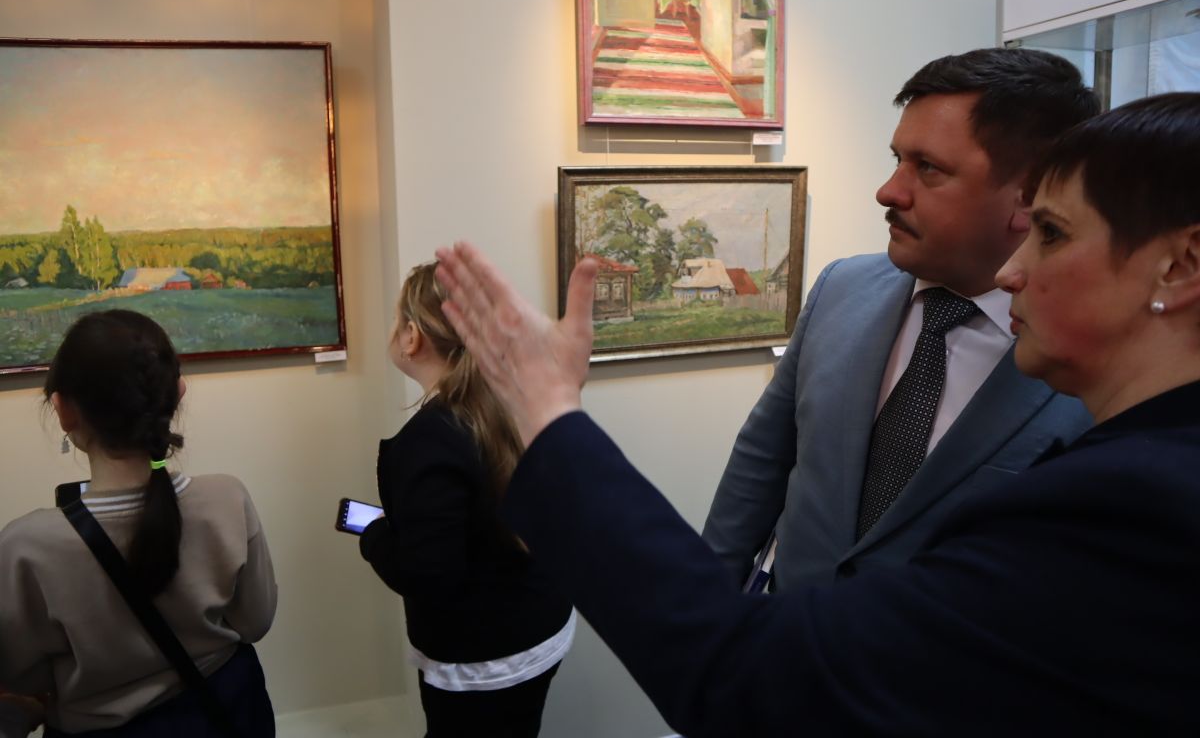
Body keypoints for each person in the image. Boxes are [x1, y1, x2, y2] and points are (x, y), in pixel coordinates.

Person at [431, 92, 1200, 736]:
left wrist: (548, 412)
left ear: (1180, 266)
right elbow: (762, 462)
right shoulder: (844, 290)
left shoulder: (1134, 504)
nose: (1015, 269)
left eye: (1052, 232)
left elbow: (748, 673)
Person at [704, 48, 1100, 589]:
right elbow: (762, 462)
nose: (888, 191)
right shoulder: (841, 289)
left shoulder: (1088, 369)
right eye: (897, 160)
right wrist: (706, 608)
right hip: (788, 627)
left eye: (928, 168)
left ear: (1028, 198)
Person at [0, 309, 277, 736]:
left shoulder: (25, 547)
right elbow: (254, 622)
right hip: (228, 714)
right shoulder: (227, 498)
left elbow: (22, 678)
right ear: (178, 392)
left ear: (63, 410)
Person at [359, 262, 573, 738]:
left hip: (484, 660)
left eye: (397, 322)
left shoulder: (431, 439)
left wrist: (373, 535)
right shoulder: (516, 401)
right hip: (542, 625)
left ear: (412, 336)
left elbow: (428, 576)